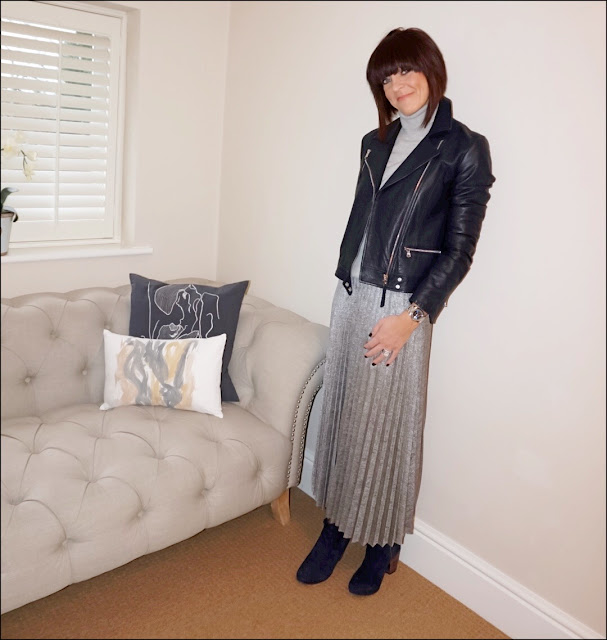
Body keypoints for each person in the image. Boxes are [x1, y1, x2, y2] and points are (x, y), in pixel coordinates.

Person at [296, 27, 495, 596]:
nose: (397, 84)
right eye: (386, 78)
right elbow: (366, 219)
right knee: (345, 416)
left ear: (431, 70)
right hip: (351, 295)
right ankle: (336, 528)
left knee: (388, 430)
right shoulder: (373, 141)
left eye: (406, 70)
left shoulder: (462, 146)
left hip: (403, 307)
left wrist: (413, 316)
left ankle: (382, 543)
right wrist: (347, 279)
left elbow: (460, 250)